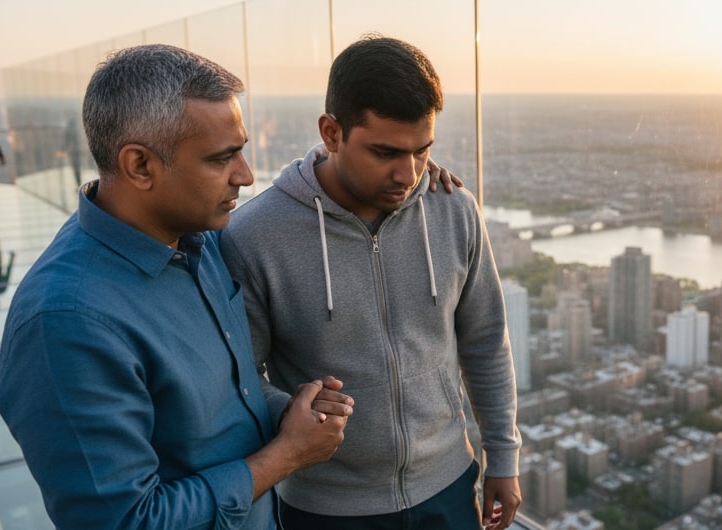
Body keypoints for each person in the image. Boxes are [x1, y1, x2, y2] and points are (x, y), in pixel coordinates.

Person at [0, 44, 355, 530]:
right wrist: (286, 457)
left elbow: (220, 403)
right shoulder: (65, 322)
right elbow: (125, 521)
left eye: (242, 150)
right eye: (222, 158)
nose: (246, 176)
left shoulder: (200, 241)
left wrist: (288, 411)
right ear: (139, 166)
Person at [221, 35, 522, 530]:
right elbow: (237, 377)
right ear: (332, 132)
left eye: (422, 151)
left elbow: (486, 342)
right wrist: (296, 409)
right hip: (323, 506)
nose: (408, 174)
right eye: (385, 152)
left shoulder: (453, 210)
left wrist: (504, 458)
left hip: (448, 487)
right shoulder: (254, 236)